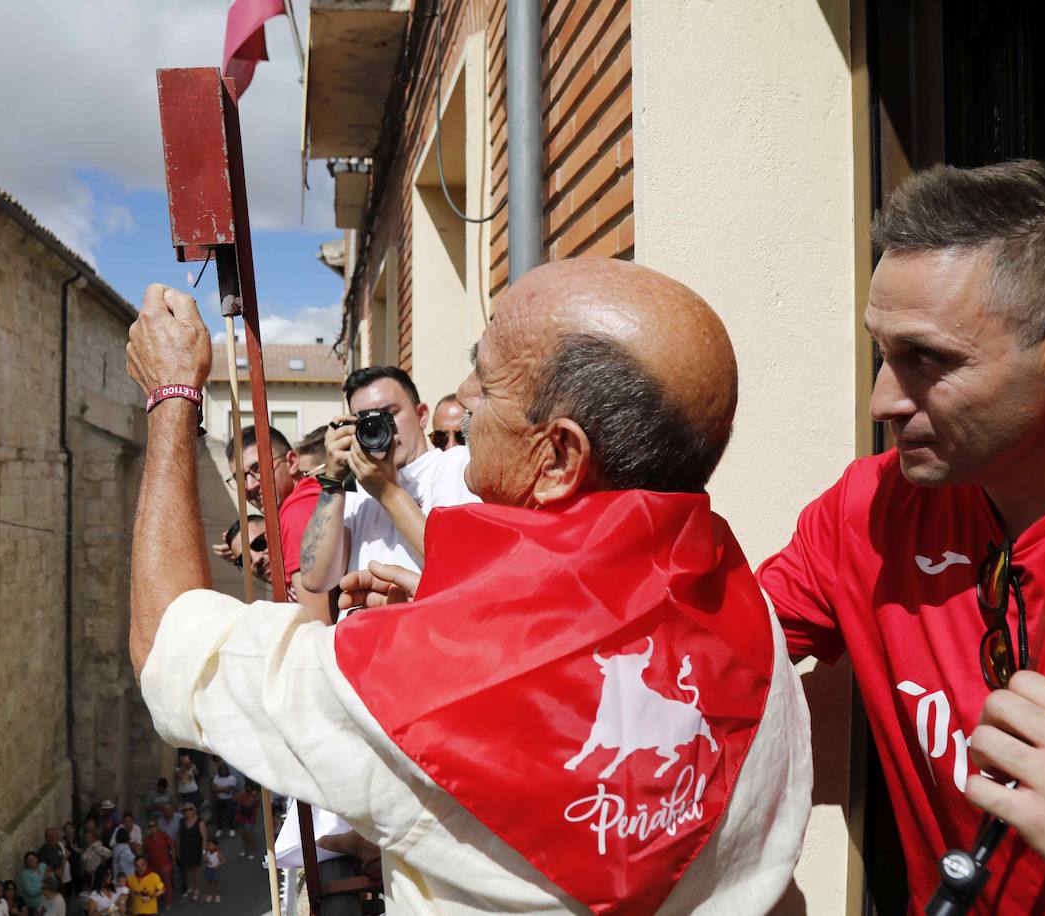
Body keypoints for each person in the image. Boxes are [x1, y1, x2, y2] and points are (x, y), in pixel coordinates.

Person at [126, 261, 811, 913]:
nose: (465, 402)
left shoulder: (424, 676)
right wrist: (441, 605)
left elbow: (166, 645)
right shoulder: (756, 626)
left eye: (487, 382)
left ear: (559, 457)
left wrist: (172, 395)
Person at [758, 160, 1045, 914]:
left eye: (927, 360)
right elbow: (692, 661)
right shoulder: (866, 510)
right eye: (883, 352)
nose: (882, 400)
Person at [297, 366, 478, 601]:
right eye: (364, 420)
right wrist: (333, 479)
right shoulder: (357, 488)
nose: (377, 426)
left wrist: (386, 492)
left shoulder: (455, 465)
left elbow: (459, 569)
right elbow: (315, 580)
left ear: (422, 415)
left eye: (388, 414)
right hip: (358, 634)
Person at [223, 425, 328, 619]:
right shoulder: (311, 498)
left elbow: (318, 627)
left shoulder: (296, 513)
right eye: (240, 479)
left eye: (258, 468)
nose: (250, 485)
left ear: (292, 462)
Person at [177, 802, 208, 901]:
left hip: (196, 850)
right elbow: (178, 836)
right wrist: (178, 849)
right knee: (188, 870)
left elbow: (204, 838)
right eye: (185, 810)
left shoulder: (200, 822)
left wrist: (204, 852)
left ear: (194, 810)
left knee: (196, 870)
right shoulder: (182, 821)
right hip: (185, 850)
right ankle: (190, 887)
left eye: (189, 809)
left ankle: (196, 889)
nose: (187, 811)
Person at [142, 820, 176, 910]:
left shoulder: (164, 835)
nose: (152, 828)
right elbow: (145, 853)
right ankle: (155, 902)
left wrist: (173, 859)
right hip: (152, 866)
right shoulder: (147, 840)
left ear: (157, 827)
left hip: (165, 864)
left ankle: (168, 902)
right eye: (150, 827)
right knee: (154, 885)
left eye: (154, 826)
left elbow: (171, 847)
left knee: (167, 883)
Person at [209, 762, 237, 838]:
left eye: (224, 769)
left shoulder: (232, 778)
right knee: (218, 815)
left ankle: (232, 828)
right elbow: (213, 789)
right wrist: (224, 789)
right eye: (221, 769)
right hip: (219, 799)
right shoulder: (216, 777)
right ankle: (219, 829)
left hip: (229, 799)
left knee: (230, 815)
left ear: (227, 770)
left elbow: (229, 790)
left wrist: (219, 788)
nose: (222, 770)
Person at [203, 839, 223, 904]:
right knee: (209, 882)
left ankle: (217, 895)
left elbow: (223, 860)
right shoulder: (207, 852)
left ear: (215, 846)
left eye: (211, 845)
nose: (209, 846)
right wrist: (206, 860)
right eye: (208, 844)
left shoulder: (217, 853)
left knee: (216, 882)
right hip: (208, 869)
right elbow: (205, 861)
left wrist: (218, 865)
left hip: (215, 869)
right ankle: (210, 894)